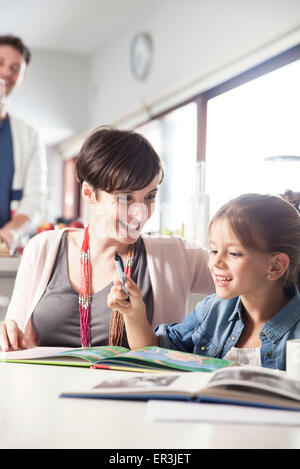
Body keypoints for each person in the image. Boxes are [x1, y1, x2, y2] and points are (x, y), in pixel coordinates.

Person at [0, 126, 214, 351]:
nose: (141, 213)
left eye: (150, 197)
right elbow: (14, 336)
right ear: (89, 194)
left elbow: (247, 275)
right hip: (46, 385)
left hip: (137, 386)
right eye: (125, 198)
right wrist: (8, 334)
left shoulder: (174, 255)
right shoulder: (42, 248)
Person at [108, 193, 300, 370]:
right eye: (214, 250)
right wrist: (134, 316)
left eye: (233, 253)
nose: (215, 262)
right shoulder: (212, 310)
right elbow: (154, 354)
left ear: (275, 266)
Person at [0, 34, 47, 250]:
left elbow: (35, 199)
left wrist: (10, 232)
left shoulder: (30, 137)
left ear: (21, 80)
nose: (6, 72)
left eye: (15, 68)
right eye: (0, 62)